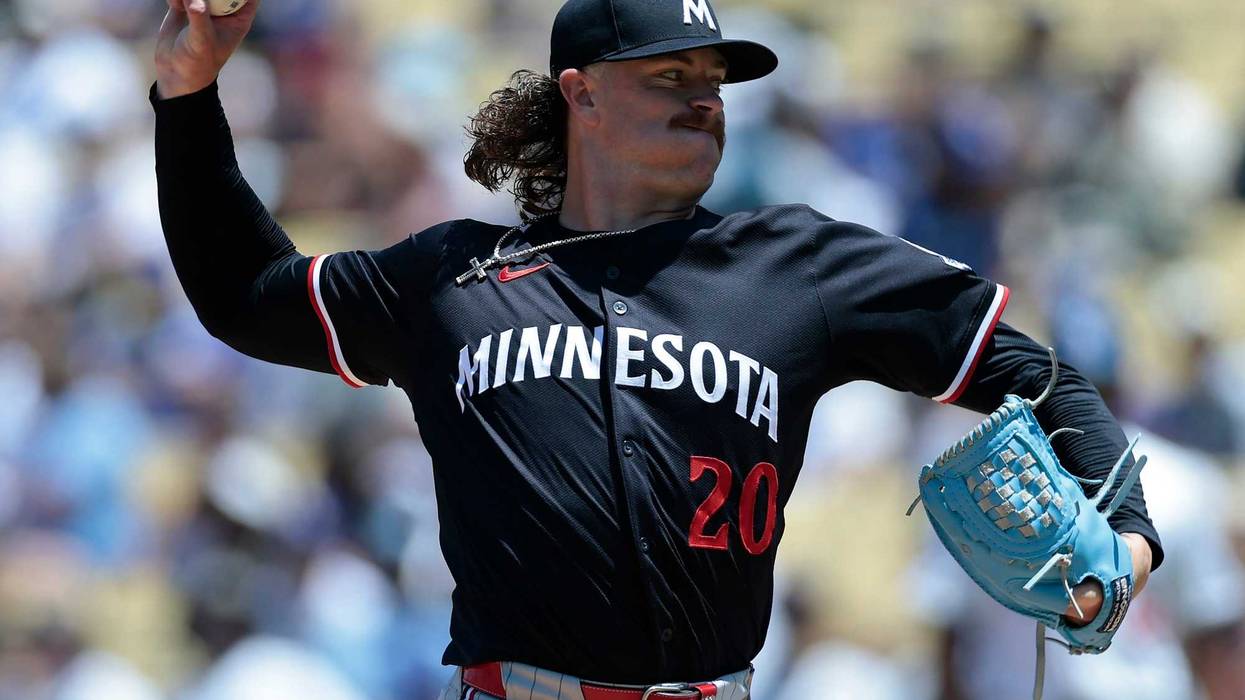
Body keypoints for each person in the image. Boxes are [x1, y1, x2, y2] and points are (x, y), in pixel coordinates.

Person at [151, 0, 1162, 697]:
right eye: (671, 74)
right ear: (582, 95)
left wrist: (1129, 528)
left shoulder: (795, 264)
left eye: (715, 77)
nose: (704, 96)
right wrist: (188, 93)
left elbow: (1032, 370)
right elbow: (244, 296)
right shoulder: (451, 280)